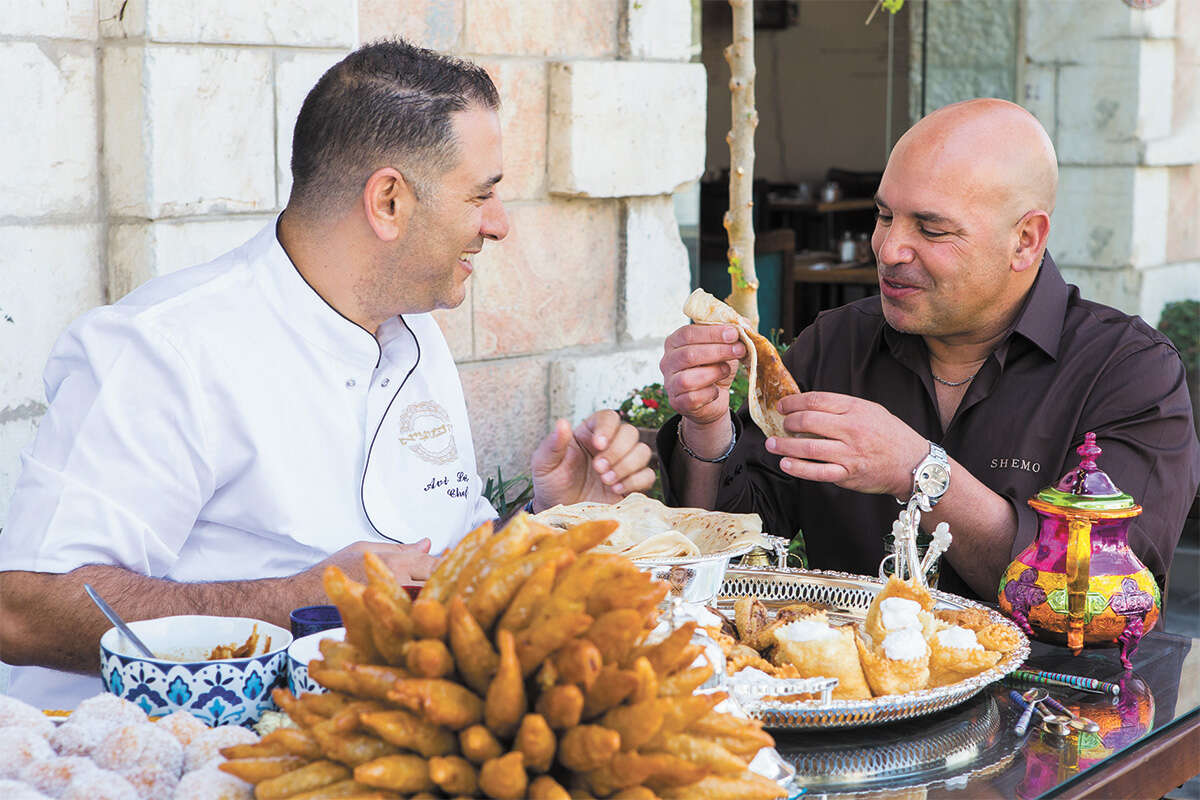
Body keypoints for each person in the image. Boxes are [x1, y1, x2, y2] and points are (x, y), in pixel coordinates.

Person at [0, 39, 654, 708]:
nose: (499, 224)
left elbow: (436, 568)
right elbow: (23, 610)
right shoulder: (165, 350)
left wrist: (552, 517)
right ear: (389, 202)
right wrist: (296, 603)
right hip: (171, 749)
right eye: (480, 195)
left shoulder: (416, 334)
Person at [659, 98, 1199, 602]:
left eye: (932, 229)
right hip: (847, 675)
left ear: (1025, 240)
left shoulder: (1129, 373)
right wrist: (707, 426)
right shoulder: (835, 343)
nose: (889, 249)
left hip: (1048, 679)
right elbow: (737, 546)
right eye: (884, 216)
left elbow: (1101, 593)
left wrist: (920, 471)